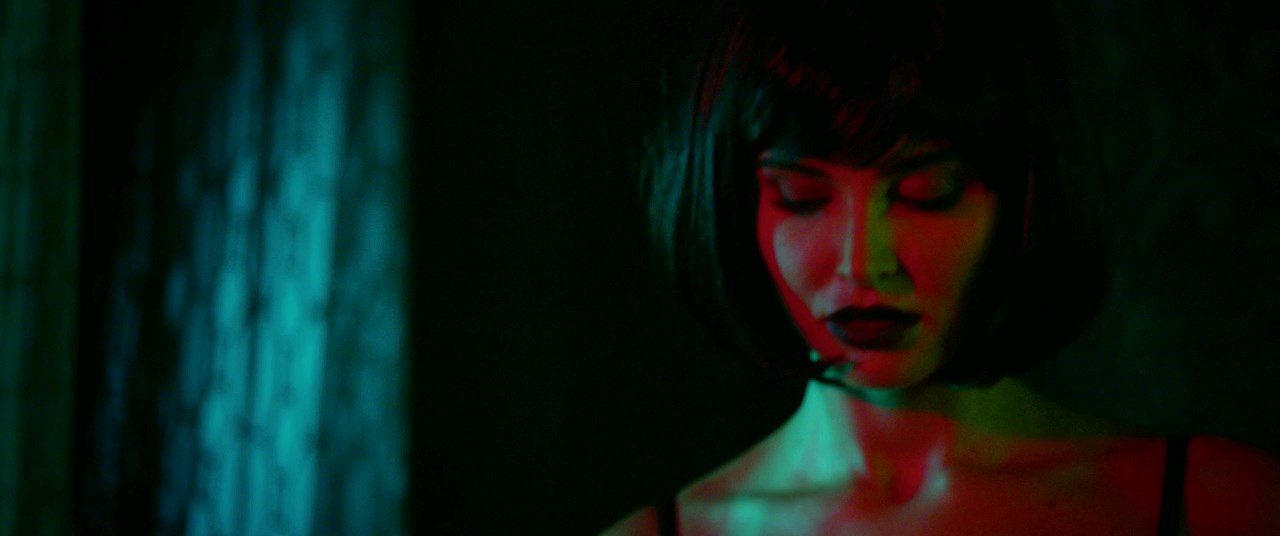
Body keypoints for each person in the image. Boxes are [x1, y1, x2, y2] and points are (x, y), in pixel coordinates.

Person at [605, 0, 1280, 533]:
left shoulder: (1220, 507)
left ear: (1023, 199)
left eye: (926, 194)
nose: (864, 263)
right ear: (731, 205)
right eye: (802, 198)